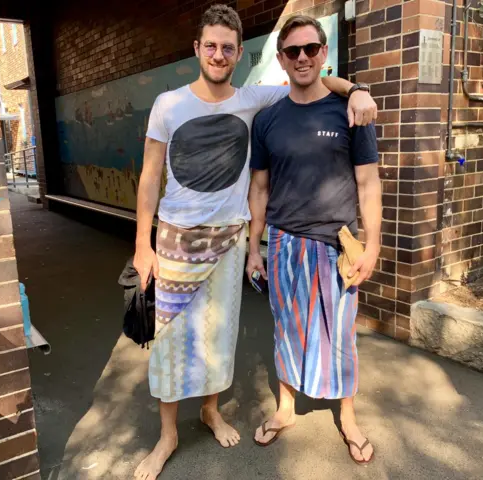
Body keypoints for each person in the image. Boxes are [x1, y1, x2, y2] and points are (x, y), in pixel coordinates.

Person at [133, 5, 377, 479]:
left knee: (217, 337)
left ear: (239, 53)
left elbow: (311, 80)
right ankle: (167, 435)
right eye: (211, 46)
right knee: (169, 340)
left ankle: (210, 409)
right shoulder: (168, 104)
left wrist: (357, 88)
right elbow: (148, 178)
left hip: (229, 239)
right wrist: (142, 246)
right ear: (197, 49)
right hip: (174, 239)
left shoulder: (253, 99)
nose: (219, 55)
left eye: (228, 47)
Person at [246, 15, 382, 465]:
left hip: (336, 245)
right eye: (292, 51)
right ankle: (286, 409)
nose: (302, 57)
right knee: (286, 327)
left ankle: (348, 418)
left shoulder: (351, 111)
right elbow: (260, 189)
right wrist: (253, 248)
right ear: (282, 60)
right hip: (284, 244)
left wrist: (375, 245)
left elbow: (368, 184)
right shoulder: (266, 121)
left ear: (323, 54)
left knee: (340, 333)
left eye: (310, 49)